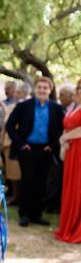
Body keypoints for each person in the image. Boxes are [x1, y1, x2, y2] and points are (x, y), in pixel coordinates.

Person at [6, 76, 64, 227]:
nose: (42, 90)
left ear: (50, 90)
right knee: (28, 181)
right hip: (27, 149)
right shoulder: (24, 106)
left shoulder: (56, 108)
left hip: (46, 149)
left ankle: (37, 215)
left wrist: (52, 145)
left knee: (41, 182)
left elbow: (61, 129)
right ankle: (25, 214)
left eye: (45, 88)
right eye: (39, 87)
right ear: (35, 89)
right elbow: (10, 126)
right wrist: (21, 144)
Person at [54, 79, 81, 243]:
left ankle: (77, 227)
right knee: (70, 187)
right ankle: (68, 225)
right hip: (72, 152)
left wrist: (64, 137)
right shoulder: (75, 106)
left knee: (78, 187)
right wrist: (63, 143)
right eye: (79, 87)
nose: (80, 90)